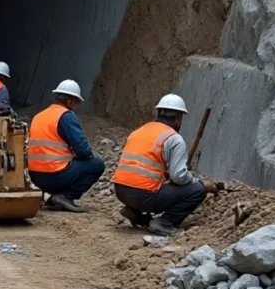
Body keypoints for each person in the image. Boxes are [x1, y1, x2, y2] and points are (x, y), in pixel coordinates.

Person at [113, 94, 216, 236]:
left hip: (120, 190)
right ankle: (164, 223)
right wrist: (200, 183)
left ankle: (135, 212)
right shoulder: (174, 138)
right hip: (143, 196)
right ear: (179, 119)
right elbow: (179, 176)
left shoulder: (139, 131)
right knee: (197, 190)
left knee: (151, 183)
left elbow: (142, 166)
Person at [28, 80, 105, 213]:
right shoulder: (66, 116)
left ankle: (53, 196)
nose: (76, 106)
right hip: (55, 175)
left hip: (35, 176)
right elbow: (83, 150)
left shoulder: (39, 116)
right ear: (70, 101)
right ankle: (66, 197)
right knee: (97, 165)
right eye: (76, 102)